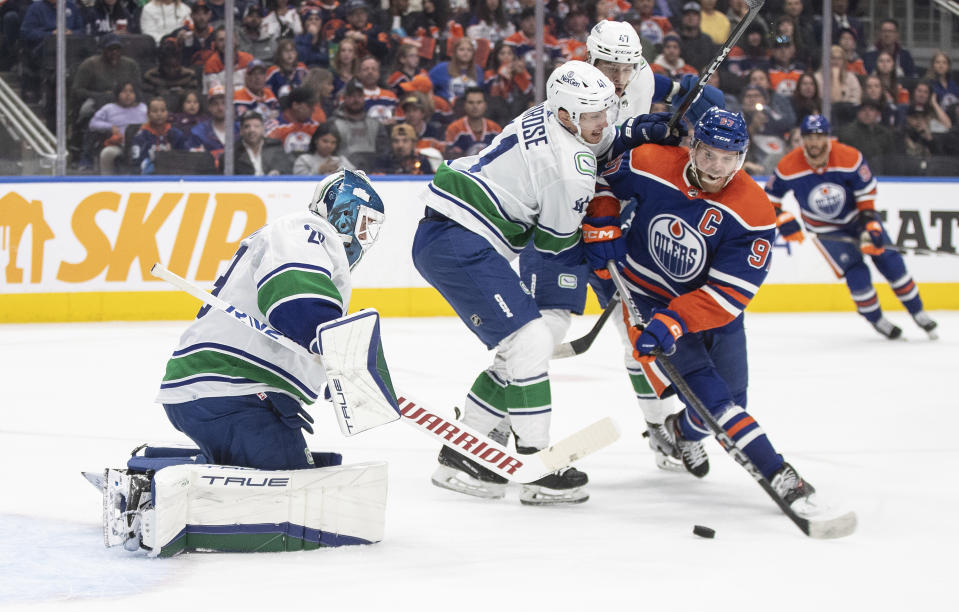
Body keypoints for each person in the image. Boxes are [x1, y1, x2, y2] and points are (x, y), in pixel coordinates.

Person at [411, 60, 677, 505]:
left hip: (453, 233)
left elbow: (597, 138)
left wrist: (632, 133)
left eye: (604, 112)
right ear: (567, 114)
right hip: (458, 242)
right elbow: (556, 245)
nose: (602, 122)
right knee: (532, 339)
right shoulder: (568, 168)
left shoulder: (548, 113)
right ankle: (534, 463)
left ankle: (464, 451)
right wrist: (601, 243)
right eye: (592, 115)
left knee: (522, 346)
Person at [96, 169, 387, 555]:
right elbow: (294, 297)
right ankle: (152, 492)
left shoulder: (310, 240)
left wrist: (342, 368)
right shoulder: (309, 230)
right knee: (291, 496)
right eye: (365, 224)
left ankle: (153, 469)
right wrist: (324, 333)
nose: (366, 238)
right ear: (345, 212)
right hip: (234, 390)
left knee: (289, 475)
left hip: (221, 389)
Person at [583, 107, 820, 513]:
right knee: (715, 399)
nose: (716, 168)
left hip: (712, 310)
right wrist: (603, 212)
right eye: (709, 154)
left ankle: (681, 432)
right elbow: (601, 174)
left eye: (728, 159)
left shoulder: (754, 210)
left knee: (731, 399)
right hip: (646, 297)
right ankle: (779, 471)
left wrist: (678, 320)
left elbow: (729, 294)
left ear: (742, 157)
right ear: (693, 147)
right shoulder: (653, 160)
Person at [518, 20, 723, 472]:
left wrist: (692, 94)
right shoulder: (572, 95)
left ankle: (662, 431)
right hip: (572, 220)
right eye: (612, 66)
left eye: (628, 66)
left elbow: (664, 87)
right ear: (590, 58)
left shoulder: (640, 74)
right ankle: (495, 417)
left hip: (626, 219)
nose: (622, 78)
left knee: (638, 339)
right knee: (539, 331)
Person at [765, 114, 938, 340]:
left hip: (858, 220)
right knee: (857, 274)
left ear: (827, 138)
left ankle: (918, 312)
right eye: (809, 137)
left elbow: (866, 198)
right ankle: (877, 320)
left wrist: (870, 227)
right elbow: (769, 200)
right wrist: (784, 220)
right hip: (827, 231)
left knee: (891, 262)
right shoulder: (788, 166)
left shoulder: (849, 157)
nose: (814, 143)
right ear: (802, 139)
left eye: (819, 137)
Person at [329, 79, 389, 170]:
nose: (356, 100)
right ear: (344, 98)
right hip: (342, 174)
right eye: (351, 96)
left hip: (373, 175)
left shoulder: (376, 125)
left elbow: (383, 152)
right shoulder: (332, 124)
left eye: (359, 96)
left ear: (364, 98)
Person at [130, 96, 188, 174]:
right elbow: (135, 164)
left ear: (167, 112)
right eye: (155, 111)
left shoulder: (176, 134)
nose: (159, 114)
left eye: (163, 110)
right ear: (148, 114)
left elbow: (185, 159)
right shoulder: (141, 136)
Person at [227, 110, 293, 175]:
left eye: (256, 126)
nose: (252, 130)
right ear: (241, 131)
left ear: (263, 129)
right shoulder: (232, 154)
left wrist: (278, 171)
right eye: (247, 126)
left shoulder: (275, 146)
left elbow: (286, 169)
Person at [444, 86, 500, 159]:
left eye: (479, 102)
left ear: (485, 105)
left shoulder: (495, 129)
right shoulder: (454, 129)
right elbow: (448, 157)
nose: (475, 106)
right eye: (471, 102)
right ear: (464, 105)